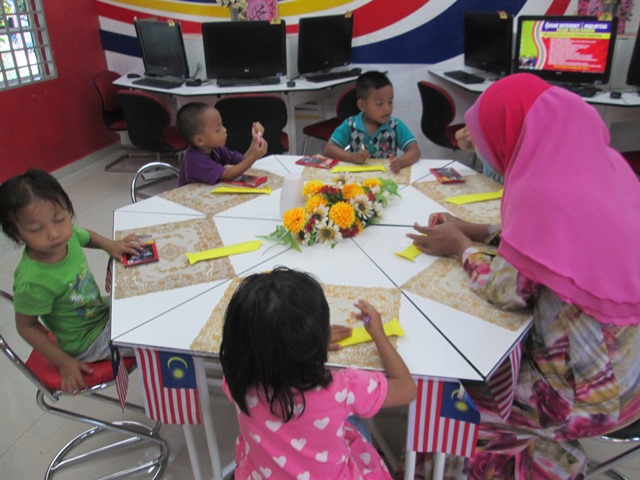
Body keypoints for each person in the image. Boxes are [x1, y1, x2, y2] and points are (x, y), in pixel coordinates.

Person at [407, 73, 640, 479]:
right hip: (632, 373)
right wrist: (478, 230)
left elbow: (507, 289)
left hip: (586, 397)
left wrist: (461, 246)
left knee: (451, 387)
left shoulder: (540, 194)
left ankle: (451, 468)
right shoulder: (606, 169)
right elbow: (558, 244)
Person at [220, 267, 416, 479]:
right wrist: (379, 335)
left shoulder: (237, 379)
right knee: (357, 426)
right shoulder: (342, 388)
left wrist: (301, 346)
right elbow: (407, 388)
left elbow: (266, 351)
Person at [0, 169, 142, 392]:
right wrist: (64, 362)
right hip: (87, 342)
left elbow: (84, 235)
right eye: (36, 229)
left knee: (148, 293)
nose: (53, 233)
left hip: (100, 312)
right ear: (17, 234)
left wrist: (110, 245)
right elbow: (26, 327)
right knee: (155, 338)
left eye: (59, 219)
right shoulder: (33, 282)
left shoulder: (67, 237)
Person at [324, 71, 421, 173]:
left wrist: (400, 162)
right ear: (362, 105)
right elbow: (329, 149)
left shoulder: (395, 126)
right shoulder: (350, 125)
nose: (387, 108)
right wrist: (352, 157)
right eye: (380, 104)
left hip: (387, 177)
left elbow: (415, 151)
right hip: (357, 178)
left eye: (390, 102)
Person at [175, 102, 268, 186]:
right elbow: (227, 175)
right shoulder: (193, 159)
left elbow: (242, 161)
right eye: (218, 130)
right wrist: (254, 156)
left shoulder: (216, 149)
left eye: (222, 125)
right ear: (200, 140)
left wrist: (255, 141)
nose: (225, 130)